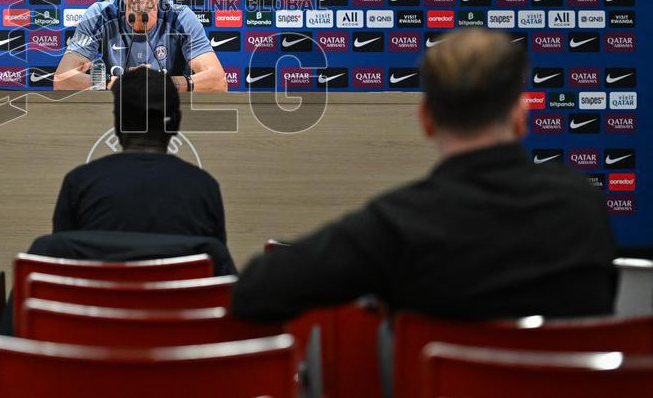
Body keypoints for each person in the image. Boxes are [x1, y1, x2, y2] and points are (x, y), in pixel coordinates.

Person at [232, 28, 617, 323]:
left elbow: (254, 291)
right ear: (521, 115)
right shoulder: (585, 208)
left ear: (426, 118)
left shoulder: (398, 223)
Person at [52, 67, 227, 245]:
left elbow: (58, 263)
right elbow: (219, 265)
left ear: (117, 123)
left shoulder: (78, 183)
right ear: (176, 123)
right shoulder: (204, 188)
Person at [53, 0, 228, 91]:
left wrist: (163, 84)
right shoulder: (99, 15)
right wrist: (118, 83)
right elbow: (62, 79)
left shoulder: (181, 18)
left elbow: (218, 81)